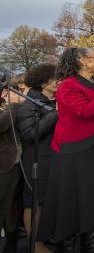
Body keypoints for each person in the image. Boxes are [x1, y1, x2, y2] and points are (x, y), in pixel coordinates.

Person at [38, 48, 94, 252]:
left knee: (93, 195)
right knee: (74, 197)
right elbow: (85, 111)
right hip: (75, 148)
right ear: (82, 60)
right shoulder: (68, 85)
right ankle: (68, 243)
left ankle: (90, 242)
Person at [16, 64, 58, 253]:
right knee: (34, 202)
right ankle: (36, 245)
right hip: (37, 159)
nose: (59, 81)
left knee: (47, 199)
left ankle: (47, 237)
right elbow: (30, 133)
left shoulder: (51, 101)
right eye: (56, 78)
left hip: (53, 156)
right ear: (44, 82)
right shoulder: (29, 104)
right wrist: (57, 113)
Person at [0, 89, 22, 252]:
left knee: (11, 204)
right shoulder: (10, 108)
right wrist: (12, 105)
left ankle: (11, 241)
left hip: (12, 163)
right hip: (3, 166)